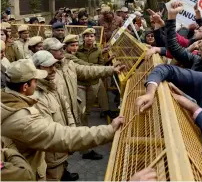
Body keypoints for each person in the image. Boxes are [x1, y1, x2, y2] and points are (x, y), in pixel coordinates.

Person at [1, 59, 124, 181]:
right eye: (35, 80)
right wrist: (108, 130)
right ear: (25, 86)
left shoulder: (7, 102)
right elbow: (63, 136)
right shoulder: (23, 119)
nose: (37, 83)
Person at [31, 51, 78, 181]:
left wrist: (72, 130)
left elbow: (65, 108)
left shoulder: (51, 85)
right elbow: (49, 133)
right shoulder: (37, 97)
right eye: (49, 66)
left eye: (54, 65)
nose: (53, 70)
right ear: (37, 69)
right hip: (53, 154)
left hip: (61, 147)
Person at [76, 28, 110, 126]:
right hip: (80, 83)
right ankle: (82, 128)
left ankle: (85, 127)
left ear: (94, 38)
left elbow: (101, 65)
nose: (89, 38)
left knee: (88, 109)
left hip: (93, 83)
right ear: (83, 38)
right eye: (87, 36)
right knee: (81, 109)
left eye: (91, 36)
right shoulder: (78, 50)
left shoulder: (98, 50)